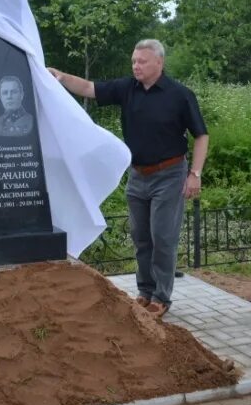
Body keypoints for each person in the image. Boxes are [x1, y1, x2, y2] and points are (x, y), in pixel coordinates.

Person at [49, 39, 208, 318]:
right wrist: (60, 77)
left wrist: (194, 174)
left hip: (170, 175)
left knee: (163, 236)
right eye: (134, 61)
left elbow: (201, 135)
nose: (136, 66)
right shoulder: (127, 89)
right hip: (138, 175)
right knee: (141, 236)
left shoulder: (180, 95)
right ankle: (145, 292)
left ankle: (161, 297)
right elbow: (89, 88)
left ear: (159, 62)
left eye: (142, 61)